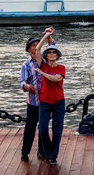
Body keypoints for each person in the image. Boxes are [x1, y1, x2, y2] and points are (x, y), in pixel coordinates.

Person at [19, 27, 55, 162]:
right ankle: (25, 152)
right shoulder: (26, 65)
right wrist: (27, 86)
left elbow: (52, 47)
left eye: (37, 45)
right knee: (30, 127)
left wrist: (48, 35)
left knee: (43, 127)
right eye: (34, 46)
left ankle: (42, 151)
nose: (36, 47)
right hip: (33, 102)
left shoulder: (44, 60)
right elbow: (22, 82)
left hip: (45, 101)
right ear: (29, 50)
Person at [33, 29, 65, 165]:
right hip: (45, 102)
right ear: (47, 55)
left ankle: (53, 156)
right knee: (43, 128)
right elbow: (37, 50)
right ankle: (48, 151)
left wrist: (42, 73)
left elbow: (56, 79)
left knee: (57, 130)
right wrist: (46, 36)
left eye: (54, 52)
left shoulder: (61, 67)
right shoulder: (43, 64)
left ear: (57, 55)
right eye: (50, 52)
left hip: (59, 102)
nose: (52, 54)